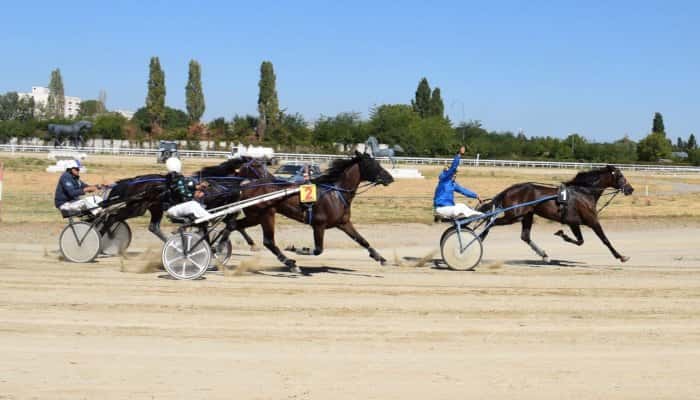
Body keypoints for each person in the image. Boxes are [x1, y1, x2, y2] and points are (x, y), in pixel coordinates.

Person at [433, 146, 483, 219]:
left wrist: (476, 196)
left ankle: (481, 215)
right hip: (441, 208)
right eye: (454, 173)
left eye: (456, 173)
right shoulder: (444, 180)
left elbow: (464, 191)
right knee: (459, 209)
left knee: (462, 206)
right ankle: (480, 215)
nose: (455, 174)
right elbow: (453, 167)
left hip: (449, 208)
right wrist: (459, 154)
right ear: (449, 174)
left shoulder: (453, 184)